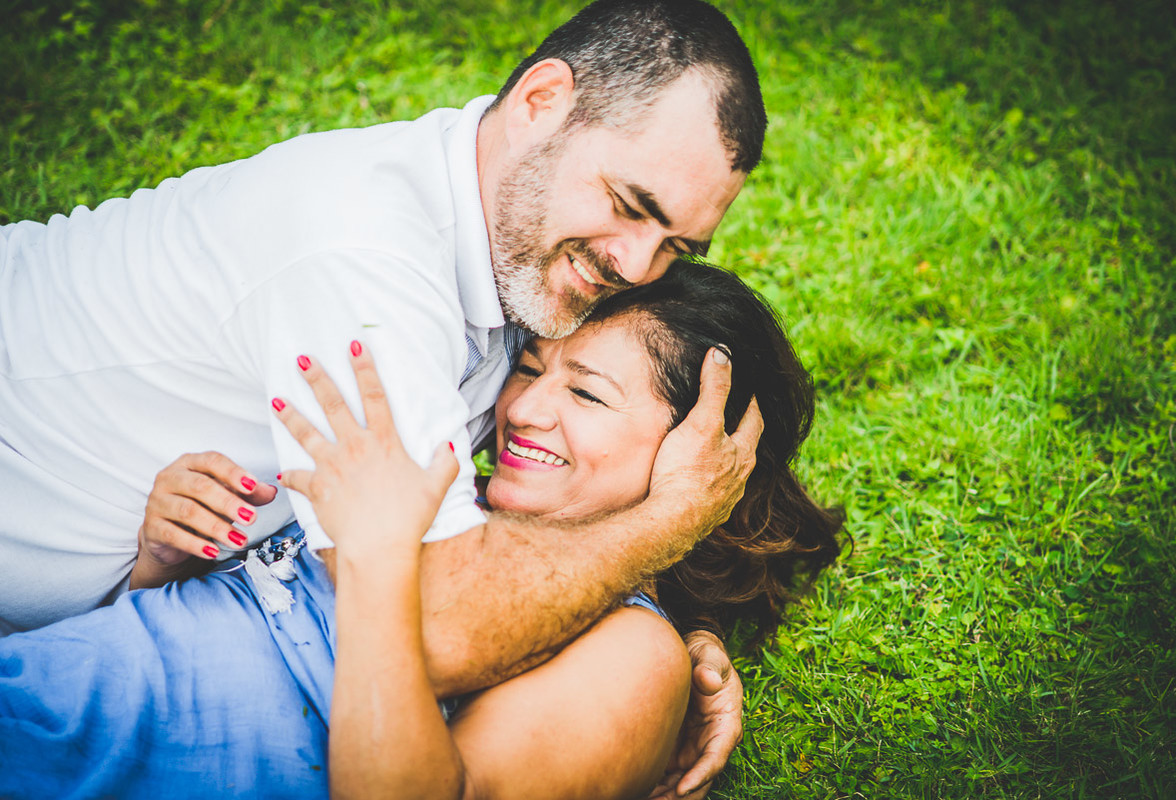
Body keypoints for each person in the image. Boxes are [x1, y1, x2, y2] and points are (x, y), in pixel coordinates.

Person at [1, 1, 766, 792]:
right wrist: (668, 524)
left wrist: (672, 638)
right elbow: (438, 624)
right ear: (542, 101)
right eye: (628, 205)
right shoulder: (363, 253)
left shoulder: (523, 264)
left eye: (675, 244)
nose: (637, 266)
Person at [0, 261, 844, 800]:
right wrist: (161, 568)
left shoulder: (639, 658)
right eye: (528, 367)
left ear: (702, 456)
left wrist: (371, 556)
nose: (522, 410)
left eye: (586, 394)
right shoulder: (450, 511)